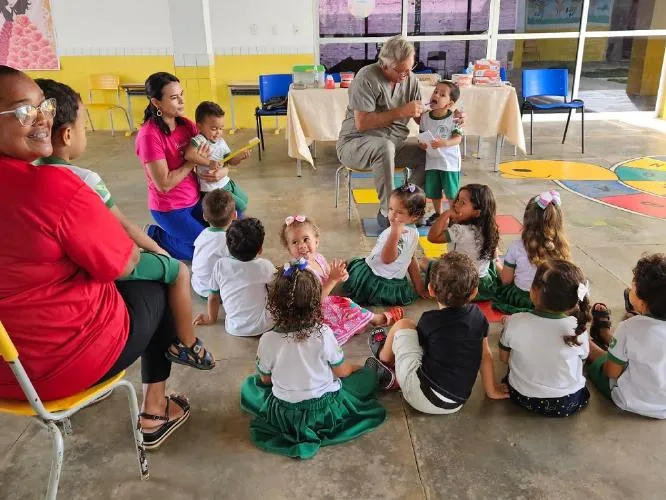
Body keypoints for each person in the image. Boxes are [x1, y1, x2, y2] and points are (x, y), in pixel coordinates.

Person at [0, 65, 190, 449]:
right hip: (58, 366)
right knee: (157, 282)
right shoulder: (54, 187)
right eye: (24, 111)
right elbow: (123, 263)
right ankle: (155, 410)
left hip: (7, 372)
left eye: (44, 106)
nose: (41, 119)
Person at [34, 78, 214, 370]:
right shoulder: (86, 178)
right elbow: (124, 230)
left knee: (219, 235)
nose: (180, 102)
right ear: (67, 134)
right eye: (83, 123)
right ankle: (188, 342)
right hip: (157, 218)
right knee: (180, 270)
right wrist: (158, 252)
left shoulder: (28, 173)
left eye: (182, 95)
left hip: (189, 203)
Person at [240, 259, 386, 459]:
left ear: (273, 304)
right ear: (315, 304)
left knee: (250, 386)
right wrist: (357, 368)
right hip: (324, 410)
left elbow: (265, 380)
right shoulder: (324, 334)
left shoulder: (267, 339)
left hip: (285, 412)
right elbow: (342, 372)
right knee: (367, 377)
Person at [336, 35, 465, 231]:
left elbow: (422, 118)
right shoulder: (366, 77)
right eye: (401, 70)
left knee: (427, 154)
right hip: (356, 145)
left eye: (410, 69)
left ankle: (407, 206)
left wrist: (450, 116)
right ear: (384, 64)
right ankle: (388, 212)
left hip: (393, 145)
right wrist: (401, 111)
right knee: (384, 147)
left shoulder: (409, 79)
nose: (406, 75)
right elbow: (362, 123)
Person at [365, 252, 509, 413]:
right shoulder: (478, 317)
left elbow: (421, 350)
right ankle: (396, 369)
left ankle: (384, 356)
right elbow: (485, 355)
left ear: (431, 290)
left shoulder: (430, 320)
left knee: (404, 325)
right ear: (475, 292)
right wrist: (492, 390)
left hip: (421, 394)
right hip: (456, 403)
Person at [135, 72, 226, 261]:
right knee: (207, 251)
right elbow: (164, 184)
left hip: (195, 197)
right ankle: (155, 236)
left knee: (226, 233)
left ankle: (180, 238)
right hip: (169, 208)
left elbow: (217, 156)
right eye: (174, 97)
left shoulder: (186, 125)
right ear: (156, 103)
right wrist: (191, 162)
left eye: (181, 95)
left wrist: (223, 170)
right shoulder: (149, 136)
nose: (182, 101)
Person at [280, 214, 404, 345]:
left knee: (345, 302)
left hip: (324, 303)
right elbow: (313, 301)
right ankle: (376, 319)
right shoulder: (298, 271)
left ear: (316, 241)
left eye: (306, 239)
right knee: (339, 310)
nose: (301, 245)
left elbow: (328, 274)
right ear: (289, 249)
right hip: (310, 313)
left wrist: (339, 275)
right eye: (295, 242)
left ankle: (359, 323)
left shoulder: (318, 258)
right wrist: (333, 280)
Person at [499, 260, 592, 417]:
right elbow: (582, 359)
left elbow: (503, 358)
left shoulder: (515, 321)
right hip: (568, 402)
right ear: (574, 302)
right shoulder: (577, 328)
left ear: (534, 292)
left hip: (523, 397)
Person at [587, 254, 666, 419]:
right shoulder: (633, 327)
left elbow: (612, 372)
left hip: (630, 399)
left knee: (602, 362)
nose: (630, 289)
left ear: (643, 304)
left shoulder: (629, 328)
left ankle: (587, 341)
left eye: (633, 288)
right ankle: (608, 337)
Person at [343, 184, 429, 306]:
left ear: (415, 217)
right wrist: (395, 233)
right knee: (352, 267)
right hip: (373, 275)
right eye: (390, 209)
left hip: (383, 283)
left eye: (399, 212)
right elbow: (396, 259)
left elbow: (404, 258)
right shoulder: (407, 231)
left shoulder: (404, 233)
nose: (392, 215)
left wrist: (419, 287)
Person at [493, 190, 571, 314]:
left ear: (527, 220)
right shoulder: (561, 249)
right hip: (549, 301)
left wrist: (497, 265)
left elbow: (506, 280)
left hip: (523, 299)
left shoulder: (517, 247)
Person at [193, 218, 275, 336]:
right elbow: (276, 291)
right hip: (265, 326)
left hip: (234, 328)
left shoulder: (220, 265)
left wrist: (211, 319)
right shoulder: (266, 266)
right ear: (260, 249)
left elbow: (213, 297)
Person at [427, 184, 501, 301]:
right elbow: (495, 255)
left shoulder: (459, 231)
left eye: (463, 203)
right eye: (457, 200)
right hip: (483, 285)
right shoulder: (491, 229)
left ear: (476, 212)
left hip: (460, 284)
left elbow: (432, 237)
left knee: (426, 262)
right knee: (492, 264)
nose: (456, 204)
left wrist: (446, 213)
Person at [186, 101, 250, 217]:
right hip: (213, 190)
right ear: (199, 126)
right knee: (241, 207)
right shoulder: (200, 139)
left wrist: (239, 157)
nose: (218, 132)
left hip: (225, 182)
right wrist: (209, 163)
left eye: (221, 128)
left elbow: (230, 160)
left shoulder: (220, 141)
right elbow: (189, 155)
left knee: (245, 199)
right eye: (214, 128)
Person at [417, 81, 463, 225]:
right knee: (434, 191)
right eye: (436, 91)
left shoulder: (453, 118)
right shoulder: (425, 117)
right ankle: (438, 213)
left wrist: (444, 143)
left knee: (451, 192)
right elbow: (421, 137)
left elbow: (458, 138)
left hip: (449, 163)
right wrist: (422, 145)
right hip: (432, 161)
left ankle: (453, 216)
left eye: (442, 95)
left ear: (449, 104)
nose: (436, 95)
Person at [191, 189, 236, 298]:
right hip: (215, 293)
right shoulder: (230, 241)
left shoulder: (203, 233)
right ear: (234, 215)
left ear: (204, 217)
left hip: (198, 285)